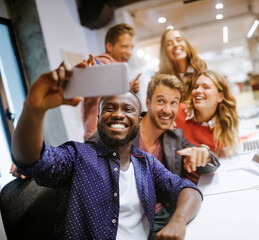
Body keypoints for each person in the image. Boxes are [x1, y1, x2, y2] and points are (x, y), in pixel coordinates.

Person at [11, 62, 202, 239]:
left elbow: (188, 190)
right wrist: (34, 108)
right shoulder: (78, 156)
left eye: (128, 109)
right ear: (98, 117)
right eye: (110, 108)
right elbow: (33, 161)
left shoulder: (146, 163)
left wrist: (179, 220)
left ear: (140, 120)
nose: (118, 114)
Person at [82, 23, 141, 140]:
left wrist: (130, 87)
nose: (129, 52)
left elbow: (113, 84)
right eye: (124, 46)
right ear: (109, 47)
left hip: (109, 134)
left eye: (131, 47)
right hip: (100, 136)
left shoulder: (117, 69)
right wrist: (94, 69)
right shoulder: (103, 62)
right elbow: (100, 69)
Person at [175, 70, 239, 157]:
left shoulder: (222, 127)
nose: (198, 90)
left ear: (220, 96)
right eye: (195, 87)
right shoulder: (176, 112)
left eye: (206, 87)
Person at [159, 29, 207, 101]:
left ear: (186, 44)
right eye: (169, 44)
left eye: (179, 40)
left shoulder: (201, 70)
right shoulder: (161, 79)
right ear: (164, 51)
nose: (175, 45)